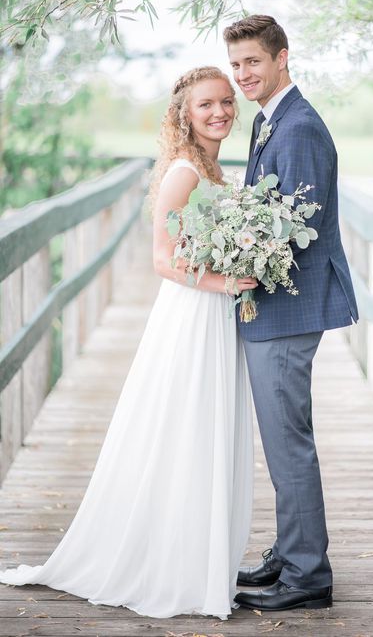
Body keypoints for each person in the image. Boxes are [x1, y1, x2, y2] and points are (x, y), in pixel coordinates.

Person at [0, 66, 258, 621]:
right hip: (192, 314)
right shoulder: (185, 172)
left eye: (226, 103)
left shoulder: (213, 165)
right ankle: (171, 564)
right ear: (184, 115)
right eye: (206, 105)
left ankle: (200, 555)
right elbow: (163, 261)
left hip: (216, 314)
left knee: (208, 429)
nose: (219, 113)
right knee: (183, 427)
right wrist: (225, 282)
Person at [223, 15, 359, 612]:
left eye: (253, 61)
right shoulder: (270, 120)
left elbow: (293, 232)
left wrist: (226, 254)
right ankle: (291, 550)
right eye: (236, 65)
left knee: (288, 441)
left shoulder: (298, 127)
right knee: (282, 438)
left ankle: (307, 575)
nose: (243, 74)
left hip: (288, 306)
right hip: (279, 306)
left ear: (282, 57)